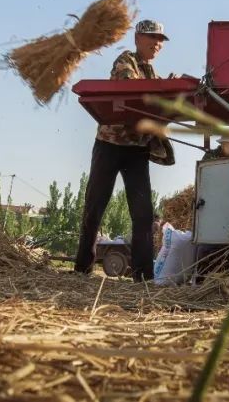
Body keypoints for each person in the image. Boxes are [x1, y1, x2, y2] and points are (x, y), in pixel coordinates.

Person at [73, 19, 175, 282]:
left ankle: (143, 276)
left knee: (142, 213)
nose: (157, 45)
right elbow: (133, 91)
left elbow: (157, 97)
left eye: (161, 41)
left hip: (136, 150)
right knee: (95, 206)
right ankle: (82, 269)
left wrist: (172, 90)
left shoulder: (151, 73)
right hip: (110, 145)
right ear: (138, 38)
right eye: (153, 38)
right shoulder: (125, 62)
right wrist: (164, 92)